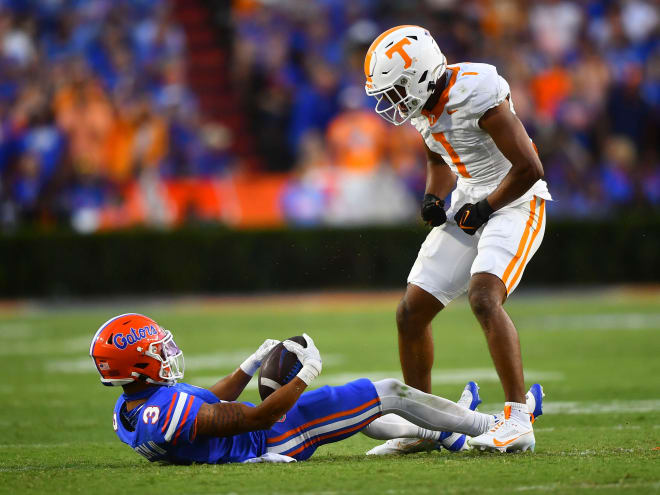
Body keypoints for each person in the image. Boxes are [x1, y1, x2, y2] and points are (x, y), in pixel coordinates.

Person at [363, 25, 552, 453]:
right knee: (411, 313)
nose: (392, 103)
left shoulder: (477, 92)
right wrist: (434, 195)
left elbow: (529, 167)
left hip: (517, 200)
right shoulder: (425, 104)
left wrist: (485, 208)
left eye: (396, 90)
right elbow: (438, 155)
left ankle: (518, 419)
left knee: (484, 297)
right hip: (471, 197)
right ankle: (424, 424)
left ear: (420, 75)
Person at [89, 314, 544, 464]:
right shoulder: (162, 411)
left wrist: (247, 366)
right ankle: (497, 424)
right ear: (137, 365)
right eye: (157, 350)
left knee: (364, 415)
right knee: (387, 390)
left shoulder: (133, 409)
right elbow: (256, 417)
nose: (168, 354)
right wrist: (307, 373)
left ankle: (440, 432)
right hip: (276, 435)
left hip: (260, 435)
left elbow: (208, 403)